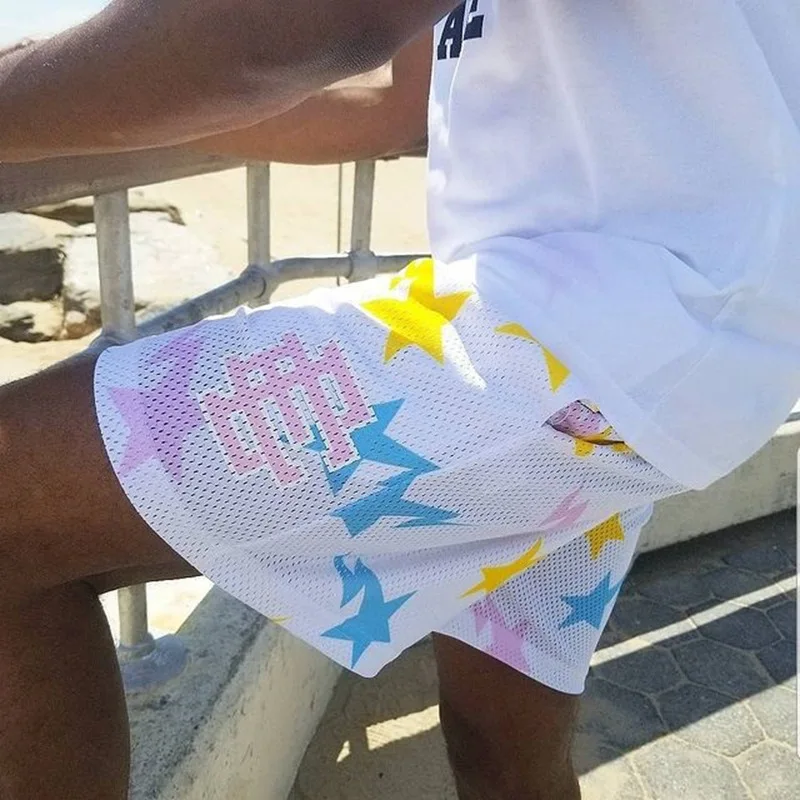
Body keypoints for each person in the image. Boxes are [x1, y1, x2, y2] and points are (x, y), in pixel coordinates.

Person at [1, 1, 799, 798]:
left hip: (603, 334)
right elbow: (391, 97)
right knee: (500, 746)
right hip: (647, 350)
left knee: (14, 502)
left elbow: (298, 27)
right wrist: (120, 117)